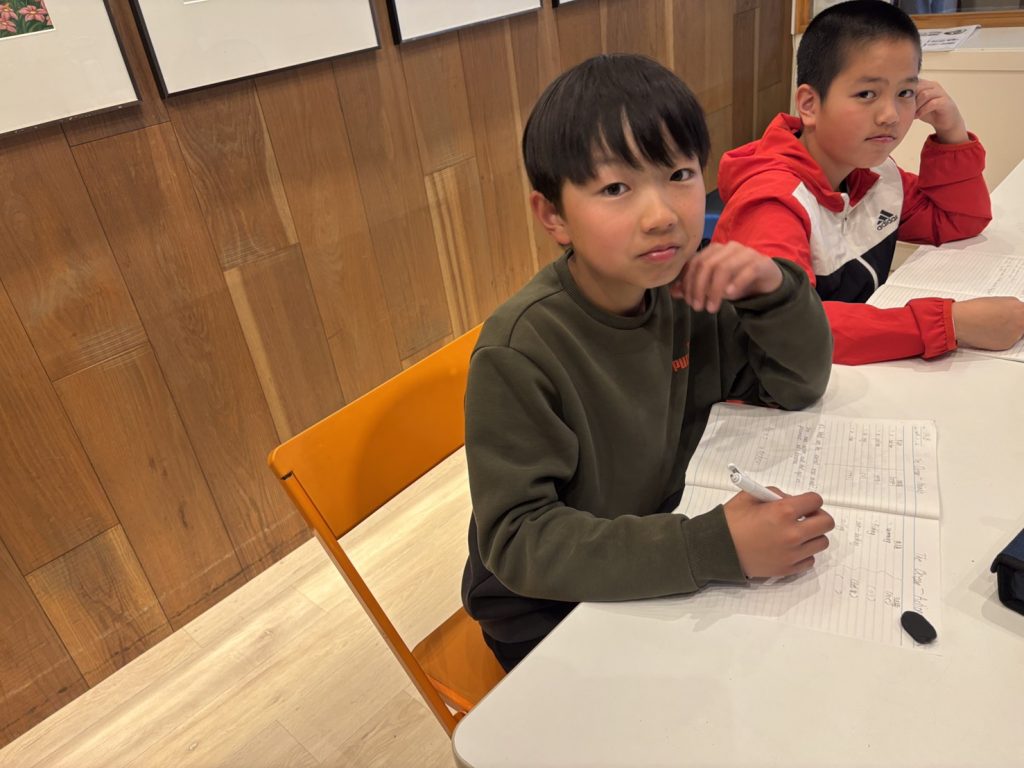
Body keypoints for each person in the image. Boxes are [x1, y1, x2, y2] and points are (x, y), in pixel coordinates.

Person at [460, 53, 836, 672]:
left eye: (679, 174)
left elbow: (796, 385)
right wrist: (713, 546)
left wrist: (775, 290)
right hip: (548, 610)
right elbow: (519, 540)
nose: (661, 215)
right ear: (553, 216)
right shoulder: (522, 349)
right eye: (615, 188)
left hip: (661, 549)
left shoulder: (687, 290)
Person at [713, 0, 1024, 365]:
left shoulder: (873, 175)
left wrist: (951, 132)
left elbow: (957, 220)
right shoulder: (773, 203)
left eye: (905, 93)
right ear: (809, 105)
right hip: (768, 384)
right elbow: (789, 330)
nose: (890, 115)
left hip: (844, 370)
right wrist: (951, 323)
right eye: (866, 94)